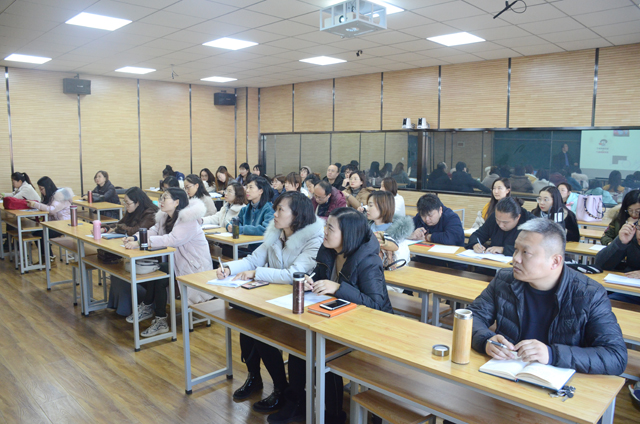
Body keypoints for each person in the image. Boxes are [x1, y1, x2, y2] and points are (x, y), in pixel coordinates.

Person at [267, 208, 393, 424]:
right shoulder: (328, 251)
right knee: (300, 345)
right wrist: (311, 282)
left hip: (371, 329)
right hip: (338, 321)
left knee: (322, 352)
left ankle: (334, 415)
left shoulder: (369, 262)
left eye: (330, 228)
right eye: (326, 226)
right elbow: (321, 275)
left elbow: (376, 306)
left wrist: (337, 288)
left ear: (348, 234)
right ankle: (297, 402)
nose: (324, 231)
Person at [468, 218, 627, 376]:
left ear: (555, 261)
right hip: (505, 375)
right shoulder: (505, 280)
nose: (515, 258)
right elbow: (472, 317)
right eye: (516, 249)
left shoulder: (589, 294)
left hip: (559, 387)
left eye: (526, 252)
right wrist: (486, 341)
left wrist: (552, 354)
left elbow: (615, 356)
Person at [217, 192, 324, 413]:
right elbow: (253, 258)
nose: (274, 214)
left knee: (262, 330)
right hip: (270, 296)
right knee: (246, 323)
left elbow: (294, 273)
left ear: (297, 215)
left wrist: (256, 273)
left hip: (297, 303)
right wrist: (230, 269)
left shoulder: (314, 238)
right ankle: (254, 377)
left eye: (280, 210)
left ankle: (280, 388)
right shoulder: (276, 232)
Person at [123, 188, 213, 336]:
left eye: (165, 198)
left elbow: (173, 240)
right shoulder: (165, 216)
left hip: (193, 267)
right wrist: (137, 238)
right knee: (155, 272)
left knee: (160, 278)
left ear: (177, 202)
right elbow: (153, 230)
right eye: (161, 198)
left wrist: (144, 243)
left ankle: (160, 320)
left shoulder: (188, 219)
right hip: (178, 263)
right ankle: (148, 307)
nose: (161, 201)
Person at [99, 187, 158, 316]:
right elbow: (120, 224)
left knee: (121, 271)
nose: (125, 206)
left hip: (147, 255)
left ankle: (142, 304)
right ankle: (121, 305)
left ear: (137, 202)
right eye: (124, 202)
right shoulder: (132, 211)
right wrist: (105, 229)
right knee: (116, 270)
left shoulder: (150, 213)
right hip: (134, 248)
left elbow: (135, 230)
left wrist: (119, 228)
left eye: (128, 203)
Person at [27, 177, 74, 262]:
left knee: (41, 234)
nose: (41, 191)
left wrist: (35, 204)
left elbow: (52, 210)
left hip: (65, 225)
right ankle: (47, 258)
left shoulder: (60, 196)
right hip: (56, 224)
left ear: (48, 187)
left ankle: (49, 259)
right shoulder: (51, 196)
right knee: (37, 232)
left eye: (42, 189)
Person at [595, 218, 640, 305]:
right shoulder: (632, 238)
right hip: (627, 289)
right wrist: (620, 242)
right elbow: (600, 264)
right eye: (639, 228)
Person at [468, 197, 533, 256]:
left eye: (505, 222)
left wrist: (503, 250)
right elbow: (477, 235)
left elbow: (530, 250)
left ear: (518, 217)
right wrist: (475, 244)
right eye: (498, 220)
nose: (500, 225)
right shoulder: (494, 217)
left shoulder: (531, 224)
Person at [366, 191, 414, 271]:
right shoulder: (365, 229)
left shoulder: (397, 234)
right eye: (367, 205)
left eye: (370, 205)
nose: (367, 209)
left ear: (383, 207)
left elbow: (401, 261)